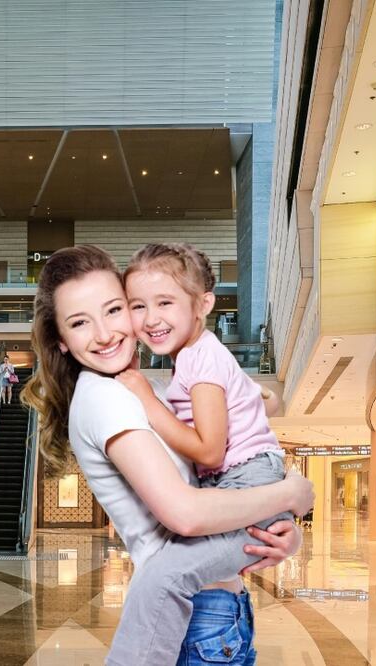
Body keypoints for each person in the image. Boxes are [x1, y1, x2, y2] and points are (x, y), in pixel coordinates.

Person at [22, 245, 312, 665]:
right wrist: (291, 495)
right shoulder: (107, 398)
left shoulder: (146, 384)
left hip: (221, 611)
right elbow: (186, 514)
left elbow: (262, 403)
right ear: (62, 341)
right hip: (199, 617)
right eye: (80, 322)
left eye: (115, 310)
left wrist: (276, 532)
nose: (104, 334)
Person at [114, 243, 299, 661]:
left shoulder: (201, 360)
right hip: (248, 481)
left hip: (247, 479)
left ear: (204, 304)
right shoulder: (198, 356)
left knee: (166, 575)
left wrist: (147, 398)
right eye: (137, 305)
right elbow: (259, 398)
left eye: (166, 302)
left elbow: (210, 451)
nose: (151, 318)